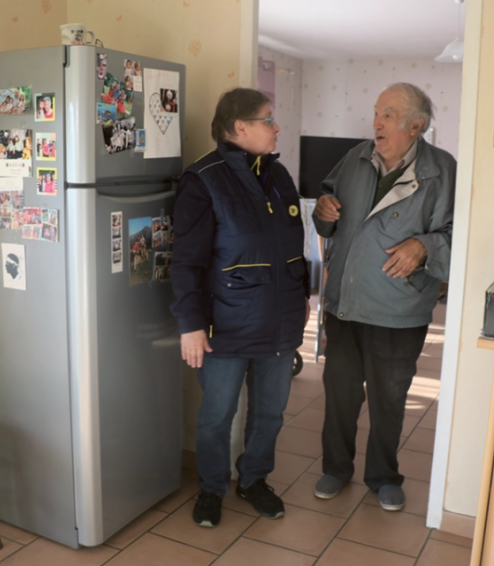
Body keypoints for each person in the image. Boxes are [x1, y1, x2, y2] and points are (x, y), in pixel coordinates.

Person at [171, 88, 310, 528]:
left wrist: (301, 307)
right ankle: (212, 488)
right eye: (269, 119)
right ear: (239, 128)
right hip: (224, 326)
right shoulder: (203, 179)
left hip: (280, 323)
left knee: (269, 412)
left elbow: (292, 252)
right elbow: (186, 262)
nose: (277, 127)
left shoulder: (280, 175)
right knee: (217, 417)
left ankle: (253, 480)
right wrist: (190, 326)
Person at [311, 83, 455, 511]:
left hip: (399, 308)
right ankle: (336, 468)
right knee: (339, 393)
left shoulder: (443, 170)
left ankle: (383, 476)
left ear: (417, 125)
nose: (377, 122)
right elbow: (328, 209)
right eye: (377, 113)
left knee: (388, 398)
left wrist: (426, 245)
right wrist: (322, 211)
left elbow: (458, 234)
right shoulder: (355, 158)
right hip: (346, 300)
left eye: (389, 115)